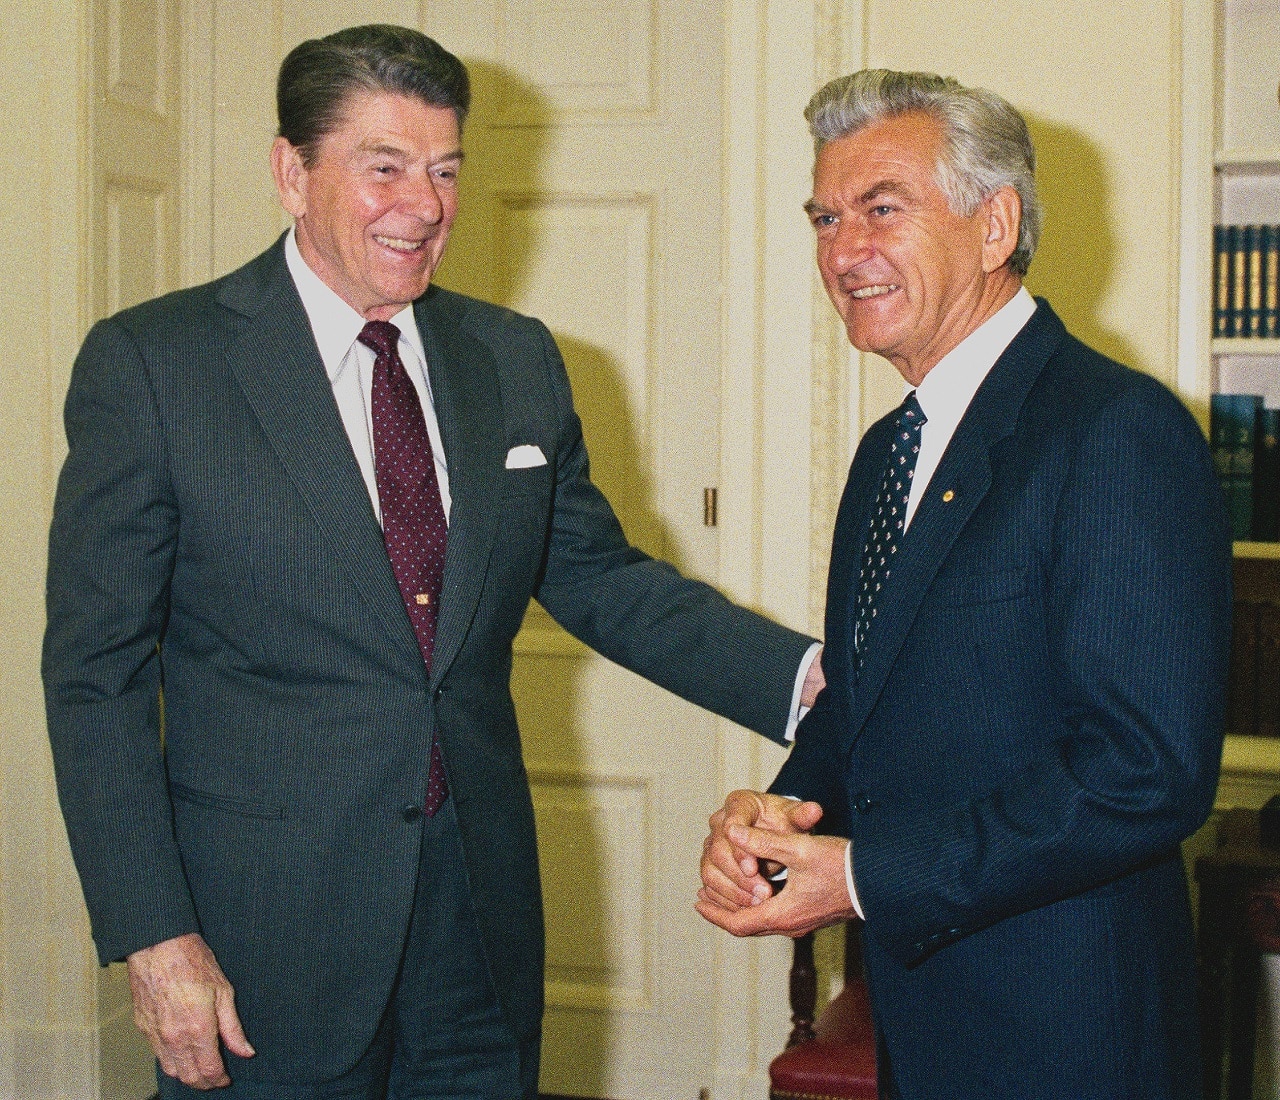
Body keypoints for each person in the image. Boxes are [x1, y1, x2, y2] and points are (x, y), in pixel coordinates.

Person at [42, 24, 823, 1100]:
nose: (423, 203)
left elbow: (599, 576)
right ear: (290, 172)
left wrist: (808, 682)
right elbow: (96, 675)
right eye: (383, 167)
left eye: (444, 168)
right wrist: (152, 931)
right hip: (259, 938)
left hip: (477, 921)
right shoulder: (156, 366)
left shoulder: (513, 358)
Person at [696, 69, 1232, 1100]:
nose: (841, 251)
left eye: (880, 209)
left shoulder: (1114, 432)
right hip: (924, 1014)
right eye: (823, 217)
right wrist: (776, 819)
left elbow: (1143, 767)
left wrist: (857, 875)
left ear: (994, 225)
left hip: (1068, 1031)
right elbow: (865, 707)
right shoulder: (885, 451)